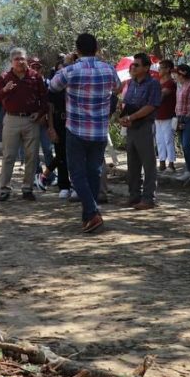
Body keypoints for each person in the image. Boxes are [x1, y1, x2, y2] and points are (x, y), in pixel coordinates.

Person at [50, 34, 120, 233]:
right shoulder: (108, 69)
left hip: (76, 129)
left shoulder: (71, 70)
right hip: (99, 130)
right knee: (94, 172)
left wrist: (66, 63)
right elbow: (118, 87)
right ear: (96, 48)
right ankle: (88, 217)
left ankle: (92, 210)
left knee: (77, 174)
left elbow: (53, 86)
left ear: (77, 50)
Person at [0, 48, 49, 202]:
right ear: (11, 62)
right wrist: (5, 89)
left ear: (26, 60)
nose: (20, 61)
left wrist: (39, 113)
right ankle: (4, 189)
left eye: (22, 58)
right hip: (11, 119)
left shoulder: (35, 76)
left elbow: (44, 98)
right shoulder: (5, 77)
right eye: (17, 59)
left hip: (31, 121)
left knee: (32, 156)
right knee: (8, 156)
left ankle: (27, 188)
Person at [119, 53, 162, 209]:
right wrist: (124, 117)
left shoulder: (153, 84)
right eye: (132, 65)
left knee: (148, 164)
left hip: (145, 125)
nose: (133, 67)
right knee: (132, 164)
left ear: (146, 67)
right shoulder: (131, 83)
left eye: (137, 65)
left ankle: (149, 198)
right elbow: (127, 103)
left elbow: (151, 105)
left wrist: (133, 117)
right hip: (131, 127)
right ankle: (134, 196)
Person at [46, 52, 77, 199]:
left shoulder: (77, 82)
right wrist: (51, 127)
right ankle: (64, 185)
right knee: (61, 153)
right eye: (60, 69)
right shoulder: (54, 86)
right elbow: (50, 107)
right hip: (59, 121)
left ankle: (77, 185)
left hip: (76, 121)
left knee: (77, 155)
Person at [29, 56, 54, 190]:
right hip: (32, 122)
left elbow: (50, 104)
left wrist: (48, 121)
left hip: (45, 122)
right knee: (33, 151)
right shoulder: (27, 83)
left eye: (38, 67)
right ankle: (37, 175)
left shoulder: (48, 83)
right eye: (33, 66)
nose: (36, 69)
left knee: (48, 150)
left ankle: (50, 175)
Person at [155, 60, 178, 173]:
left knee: (168, 139)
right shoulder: (159, 82)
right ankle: (162, 161)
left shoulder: (170, 83)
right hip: (158, 115)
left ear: (168, 69)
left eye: (162, 68)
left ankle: (171, 163)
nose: (159, 70)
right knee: (160, 140)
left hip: (168, 114)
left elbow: (162, 96)